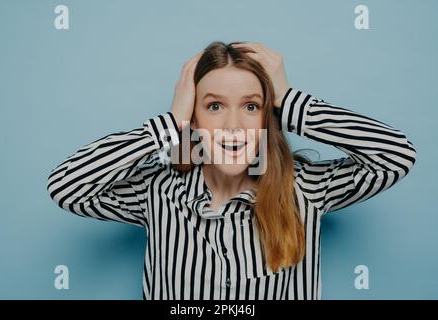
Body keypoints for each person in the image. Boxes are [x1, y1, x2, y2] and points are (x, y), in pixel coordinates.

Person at [47, 41, 416, 300]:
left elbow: (395, 155)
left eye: (252, 107)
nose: (234, 126)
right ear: (194, 117)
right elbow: (66, 186)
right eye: (215, 106)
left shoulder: (306, 189)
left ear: (267, 118)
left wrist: (289, 101)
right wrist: (170, 122)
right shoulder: (156, 192)